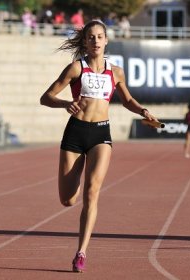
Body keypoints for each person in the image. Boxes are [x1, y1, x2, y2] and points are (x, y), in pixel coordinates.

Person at [39, 20, 158, 273]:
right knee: (68, 200)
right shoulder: (75, 68)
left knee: (92, 193)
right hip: (75, 133)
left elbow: (127, 100)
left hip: (100, 134)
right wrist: (64, 105)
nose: (95, 41)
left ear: (106, 41)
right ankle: (77, 174)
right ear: (85, 41)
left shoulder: (115, 72)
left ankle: (81, 252)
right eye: (90, 37)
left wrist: (144, 111)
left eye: (99, 37)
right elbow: (45, 97)